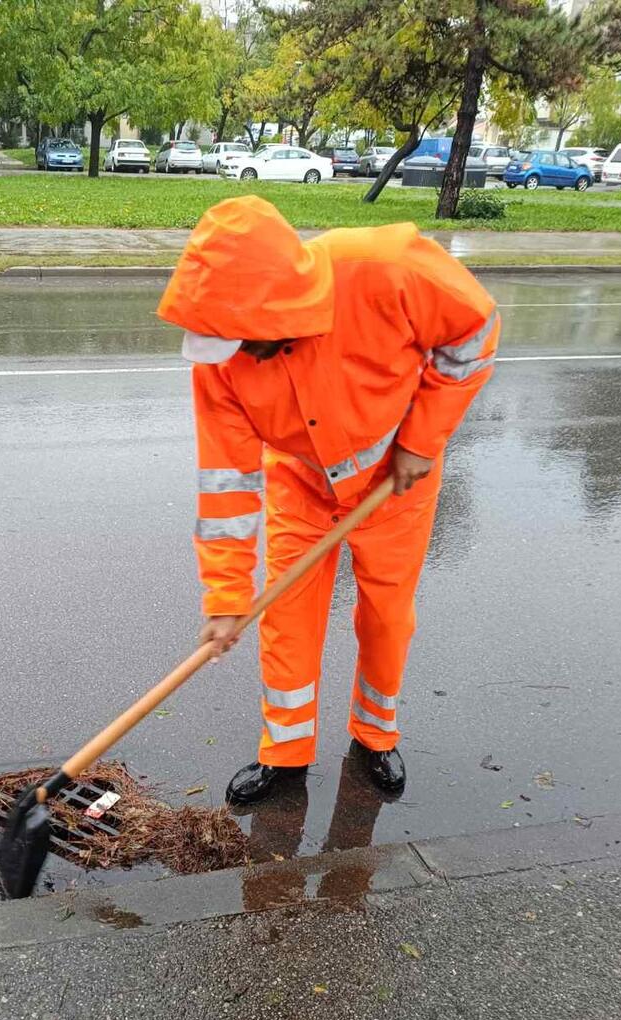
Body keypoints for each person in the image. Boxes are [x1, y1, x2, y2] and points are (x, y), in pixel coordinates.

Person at [156, 196, 500, 806]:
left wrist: (422, 440)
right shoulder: (220, 360)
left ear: (277, 309)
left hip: (396, 482)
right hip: (303, 487)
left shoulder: (384, 267)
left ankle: (374, 736)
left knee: (386, 619)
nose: (228, 357)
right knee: (286, 620)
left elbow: (474, 332)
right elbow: (226, 481)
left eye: (237, 340)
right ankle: (285, 756)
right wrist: (228, 596)